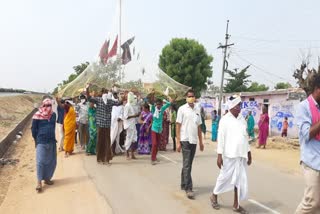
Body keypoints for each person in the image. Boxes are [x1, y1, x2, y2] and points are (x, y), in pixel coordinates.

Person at [209, 95, 252, 213]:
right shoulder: (225, 120)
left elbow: (245, 137)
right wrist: (219, 155)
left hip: (241, 155)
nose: (240, 107)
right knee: (224, 177)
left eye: (240, 105)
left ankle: (236, 204)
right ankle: (214, 195)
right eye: (238, 105)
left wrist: (249, 152)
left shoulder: (242, 119)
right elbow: (221, 138)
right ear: (232, 106)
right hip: (229, 154)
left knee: (239, 180)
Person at [295, 74, 320, 213]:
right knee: (312, 203)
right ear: (317, 89)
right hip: (312, 162)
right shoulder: (304, 107)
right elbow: (306, 134)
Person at [176, 89, 204, 199]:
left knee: (188, 164)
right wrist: (178, 141)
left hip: (194, 140)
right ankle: (188, 188)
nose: (190, 98)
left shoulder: (197, 109)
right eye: (189, 96)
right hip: (185, 139)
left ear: (195, 97)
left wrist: (201, 142)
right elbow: (178, 125)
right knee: (187, 164)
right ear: (186, 97)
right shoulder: (182, 109)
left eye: (192, 96)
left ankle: (183, 183)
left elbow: (199, 126)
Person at [86, 86, 120, 165]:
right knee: (101, 142)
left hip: (106, 125)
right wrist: (87, 89)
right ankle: (101, 159)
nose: (105, 94)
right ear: (102, 93)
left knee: (105, 142)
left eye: (106, 92)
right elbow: (89, 98)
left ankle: (105, 159)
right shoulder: (99, 100)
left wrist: (120, 96)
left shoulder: (109, 101)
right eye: (104, 92)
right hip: (101, 125)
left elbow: (118, 103)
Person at [31, 98, 57, 193]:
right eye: (45, 105)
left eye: (49, 105)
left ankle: (47, 178)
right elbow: (34, 130)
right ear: (42, 106)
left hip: (51, 141)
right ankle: (39, 182)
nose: (47, 108)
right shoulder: (37, 116)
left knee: (51, 161)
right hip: (41, 141)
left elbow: (53, 127)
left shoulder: (53, 115)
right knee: (40, 161)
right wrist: (36, 141)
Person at [150, 96, 172, 165]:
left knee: (157, 144)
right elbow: (152, 103)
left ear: (161, 104)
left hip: (160, 129)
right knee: (154, 144)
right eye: (157, 104)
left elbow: (169, 104)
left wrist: (165, 98)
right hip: (154, 128)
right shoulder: (154, 109)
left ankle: (155, 157)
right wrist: (153, 96)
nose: (158, 106)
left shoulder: (162, 109)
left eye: (160, 104)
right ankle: (152, 159)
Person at [123, 92, 140, 159]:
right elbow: (126, 116)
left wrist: (136, 115)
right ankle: (127, 153)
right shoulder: (127, 106)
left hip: (133, 124)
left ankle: (132, 154)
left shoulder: (132, 105)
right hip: (129, 125)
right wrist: (134, 115)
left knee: (134, 139)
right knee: (129, 138)